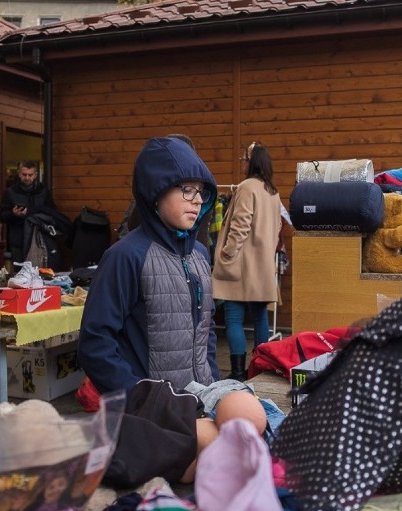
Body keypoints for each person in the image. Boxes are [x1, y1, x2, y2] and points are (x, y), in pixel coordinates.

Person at [78, 137, 221, 394]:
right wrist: (139, 400)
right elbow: (95, 343)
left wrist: (213, 387)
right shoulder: (125, 256)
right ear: (156, 191)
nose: (197, 200)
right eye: (187, 189)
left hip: (200, 402)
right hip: (151, 416)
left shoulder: (199, 254)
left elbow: (206, 329)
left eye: (201, 191)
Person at [212, 142, 282, 381]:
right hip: (262, 266)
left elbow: (240, 224)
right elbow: (278, 226)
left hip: (240, 266)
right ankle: (261, 368)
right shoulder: (272, 191)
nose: (242, 162)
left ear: (252, 161)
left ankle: (239, 372)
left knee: (233, 319)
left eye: (244, 158)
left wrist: (227, 253)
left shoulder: (246, 187)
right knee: (260, 317)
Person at [0, 159, 70, 270]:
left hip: (40, 239)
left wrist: (32, 213)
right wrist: (13, 214)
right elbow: (2, 216)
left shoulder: (43, 191)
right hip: (18, 240)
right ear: (19, 173)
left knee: (41, 273)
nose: (27, 178)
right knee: (20, 275)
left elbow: (52, 212)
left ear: (36, 174)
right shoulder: (10, 192)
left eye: (30, 175)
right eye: (24, 175)